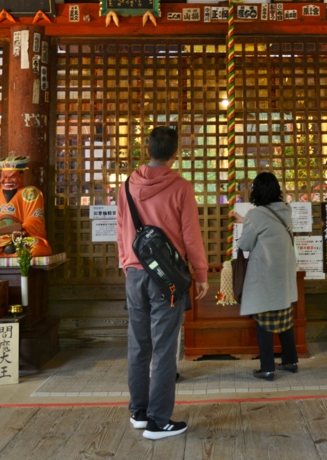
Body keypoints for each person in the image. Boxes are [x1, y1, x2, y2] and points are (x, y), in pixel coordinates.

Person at [116, 126, 209, 440]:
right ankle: (158, 421)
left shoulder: (127, 185)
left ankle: (139, 413)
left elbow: (120, 229)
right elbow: (190, 236)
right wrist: (202, 274)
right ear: (176, 153)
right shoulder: (181, 187)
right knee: (164, 349)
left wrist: (125, 263)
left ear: (147, 149)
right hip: (166, 279)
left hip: (134, 274)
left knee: (139, 345)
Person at [238, 171, 299, 381]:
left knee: (263, 320)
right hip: (284, 275)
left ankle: (267, 367)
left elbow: (245, 244)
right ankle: (290, 361)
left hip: (264, 276)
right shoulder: (286, 211)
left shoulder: (255, 215)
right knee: (284, 318)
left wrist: (244, 223)